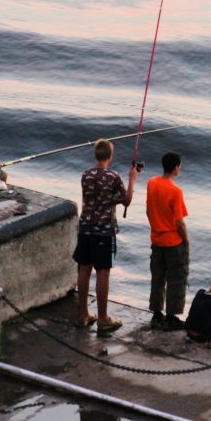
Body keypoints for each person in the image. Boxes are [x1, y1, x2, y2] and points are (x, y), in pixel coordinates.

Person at [73, 139, 138, 333]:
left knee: (84, 269)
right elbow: (126, 200)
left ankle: (84, 314)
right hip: (103, 230)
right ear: (110, 156)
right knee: (103, 272)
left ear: (96, 155)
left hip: (85, 227)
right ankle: (103, 318)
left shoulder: (86, 175)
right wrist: (132, 179)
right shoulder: (113, 176)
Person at [145, 151, 189, 331]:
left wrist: (156, 227)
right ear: (176, 167)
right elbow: (180, 222)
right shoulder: (176, 191)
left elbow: (148, 210)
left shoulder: (152, 183)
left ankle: (156, 314)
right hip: (173, 242)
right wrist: (186, 240)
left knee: (157, 277)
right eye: (180, 166)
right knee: (176, 278)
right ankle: (171, 316)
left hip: (156, 239)